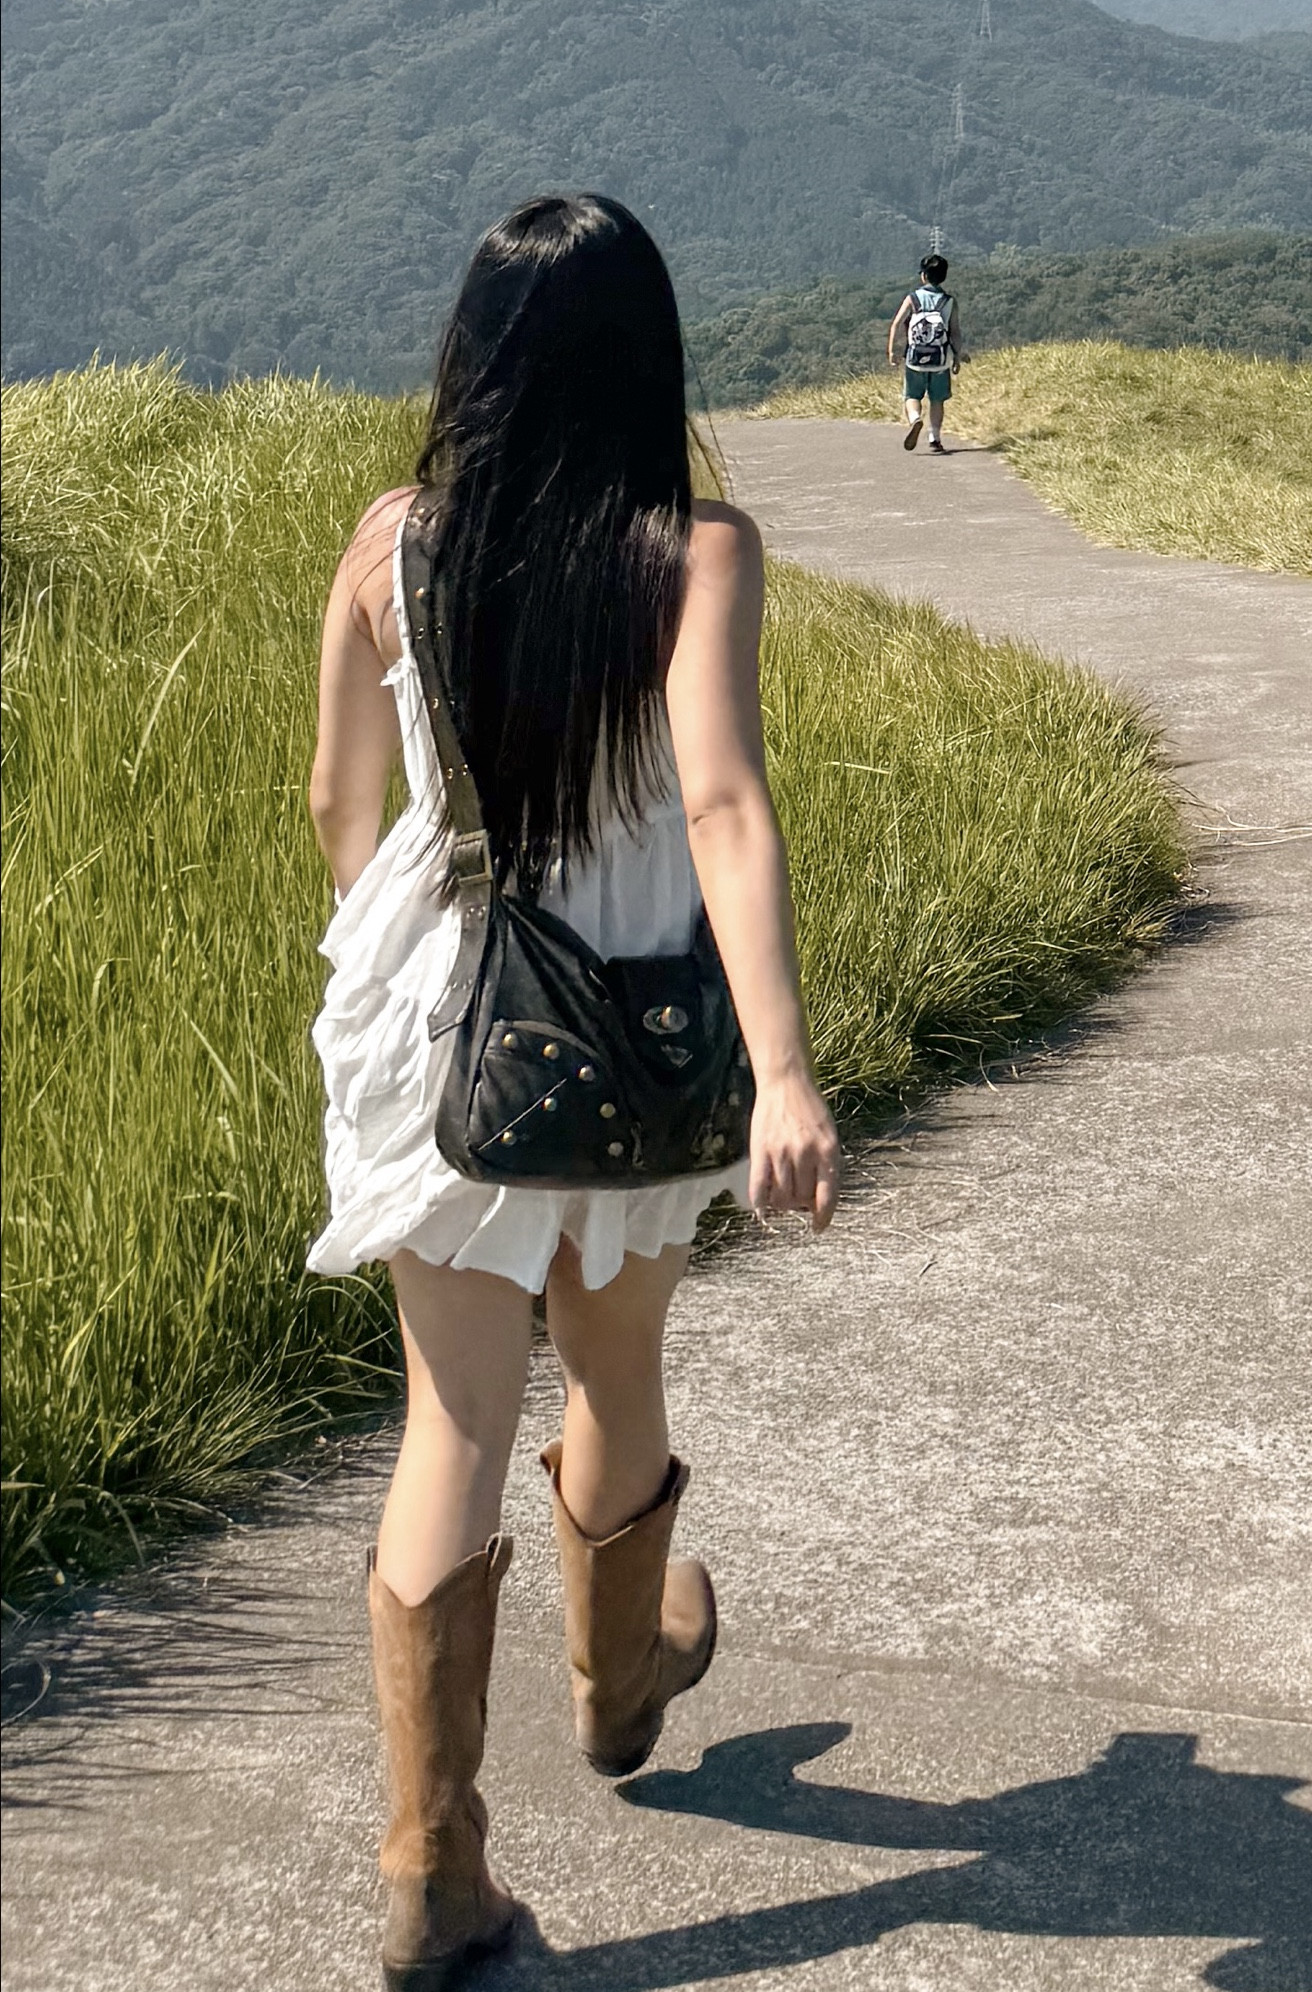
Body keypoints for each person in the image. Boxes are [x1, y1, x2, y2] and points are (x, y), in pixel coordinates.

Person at [306, 193, 840, 1990]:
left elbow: (335, 804)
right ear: (643, 364)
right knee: (614, 1366)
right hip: (623, 1029)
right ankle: (620, 1683)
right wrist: (779, 1064)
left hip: (438, 1015)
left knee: (448, 1421)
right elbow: (721, 807)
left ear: (475, 358)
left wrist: (403, 969)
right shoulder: (694, 552)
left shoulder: (390, 544)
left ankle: (432, 1874)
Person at [888, 252, 964, 453]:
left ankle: (915, 419)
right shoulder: (949, 302)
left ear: (923, 276)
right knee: (937, 400)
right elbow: (955, 331)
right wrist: (957, 356)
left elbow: (896, 324)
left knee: (912, 396)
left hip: (915, 359)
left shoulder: (913, 298)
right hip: (941, 360)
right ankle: (935, 438)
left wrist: (892, 351)